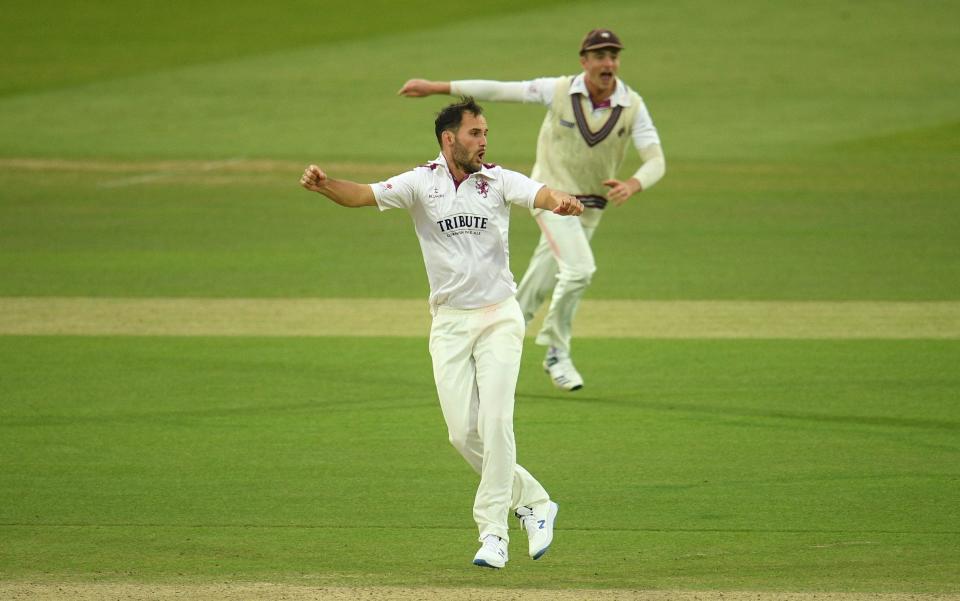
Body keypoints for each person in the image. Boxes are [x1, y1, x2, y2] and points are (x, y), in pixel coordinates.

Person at [299, 98, 582, 569]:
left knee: (495, 422)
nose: (483, 140)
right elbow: (362, 195)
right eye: (474, 133)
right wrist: (325, 185)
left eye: (485, 132)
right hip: (449, 323)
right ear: (449, 139)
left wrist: (561, 202)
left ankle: (493, 533)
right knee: (461, 434)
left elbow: (541, 193)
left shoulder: (497, 180)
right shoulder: (419, 183)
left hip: (499, 317)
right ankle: (533, 500)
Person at [398, 28, 666, 392]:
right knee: (579, 269)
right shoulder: (557, 90)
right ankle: (557, 349)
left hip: (591, 209)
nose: (608, 63)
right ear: (584, 61)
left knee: (539, 283)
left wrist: (633, 184)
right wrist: (437, 86)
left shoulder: (631, 104)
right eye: (599, 56)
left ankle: (495, 340)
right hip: (550, 199)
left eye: (613, 56)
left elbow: (656, 160)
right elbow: (501, 90)